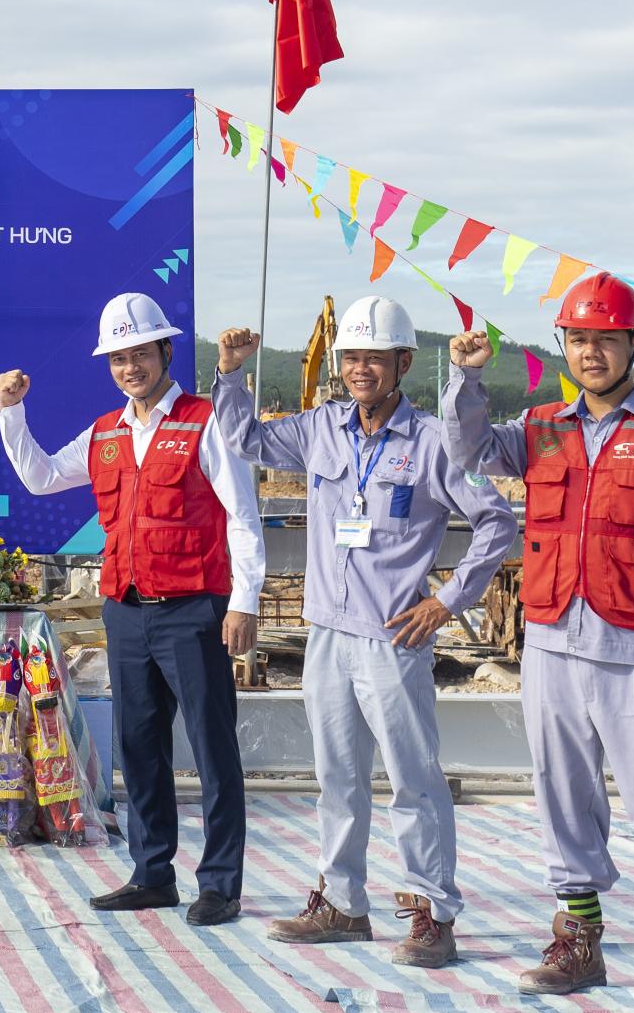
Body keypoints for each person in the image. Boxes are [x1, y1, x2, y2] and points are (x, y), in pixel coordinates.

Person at [446, 273, 634, 1013]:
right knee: (562, 794)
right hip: (551, 638)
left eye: (606, 339)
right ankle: (578, 940)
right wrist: (467, 379)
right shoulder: (540, 426)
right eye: (578, 339)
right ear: (564, 347)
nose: (591, 352)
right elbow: (469, 450)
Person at [210, 298, 517, 966]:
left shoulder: (435, 442)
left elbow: (497, 522)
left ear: (403, 363)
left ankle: (433, 912)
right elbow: (245, 439)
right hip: (327, 631)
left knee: (414, 779)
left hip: (393, 638)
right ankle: (343, 904)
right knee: (338, 777)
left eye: (375, 358)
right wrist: (230, 374)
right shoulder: (321, 427)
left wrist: (448, 600)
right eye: (351, 357)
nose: (360, 369)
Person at [0, 291, 265, 924]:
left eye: (140, 353)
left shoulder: (205, 421)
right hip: (126, 609)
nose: (130, 368)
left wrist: (245, 601)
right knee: (138, 747)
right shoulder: (105, 432)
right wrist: (12, 412)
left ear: (165, 352)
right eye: (118, 358)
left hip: (195, 609)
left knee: (212, 748)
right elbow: (40, 477)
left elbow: (243, 515)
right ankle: (152, 875)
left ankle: (220, 884)